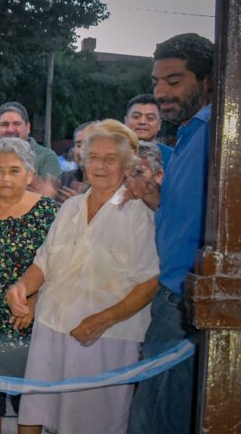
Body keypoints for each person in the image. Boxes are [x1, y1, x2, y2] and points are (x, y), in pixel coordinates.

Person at [5, 120, 160, 434]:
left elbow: (150, 282)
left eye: (110, 159)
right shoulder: (70, 208)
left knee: (91, 423)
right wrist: (21, 288)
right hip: (52, 326)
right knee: (34, 411)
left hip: (106, 339)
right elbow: (43, 264)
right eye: (93, 157)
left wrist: (103, 319)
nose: (99, 166)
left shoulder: (138, 215)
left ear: (127, 165)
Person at [127, 33, 214, 434]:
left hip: (190, 302)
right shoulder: (189, 133)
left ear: (208, 80)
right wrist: (155, 198)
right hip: (172, 300)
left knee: (157, 422)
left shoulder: (218, 133)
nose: (160, 93)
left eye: (174, 81)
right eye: (156, 82)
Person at [0, 137, 59, 434]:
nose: (5, 178)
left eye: (15, 170)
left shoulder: (48, 211)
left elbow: (57, 267)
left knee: (28, 399)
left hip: (29, 319)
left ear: (30, 175)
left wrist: (31, 303)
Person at [0, 101, 62, 192]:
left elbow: (50, 196)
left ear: (28, 128)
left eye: (17, 124)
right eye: (4, 125)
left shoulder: (47, 156)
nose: (10, 130)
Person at [124, 94, 173, 170]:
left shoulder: (172, 158)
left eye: (150, 118)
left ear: (159, 124)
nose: (142, 122)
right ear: (126, 121)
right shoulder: (114, 152)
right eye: (136, 117)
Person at [54, 121, 93, 203]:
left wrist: (80, 203)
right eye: (78, 145)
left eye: (87, 144)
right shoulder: (65, 178)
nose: (82, 151)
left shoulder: (110, 183)